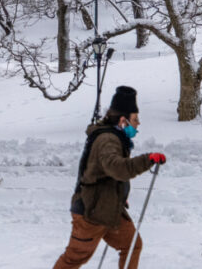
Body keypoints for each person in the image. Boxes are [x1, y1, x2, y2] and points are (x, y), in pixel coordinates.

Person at [52, 86, 167, 269]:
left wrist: (119, 193)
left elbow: (108, 173)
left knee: (132, 246)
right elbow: (116, 168)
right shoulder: (108, 140)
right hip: (91, 213)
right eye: (135, 119)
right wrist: (147, 160)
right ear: (123, 121)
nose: (138, 124)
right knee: (74, 259)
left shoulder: (114, 137)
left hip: (108, 210)